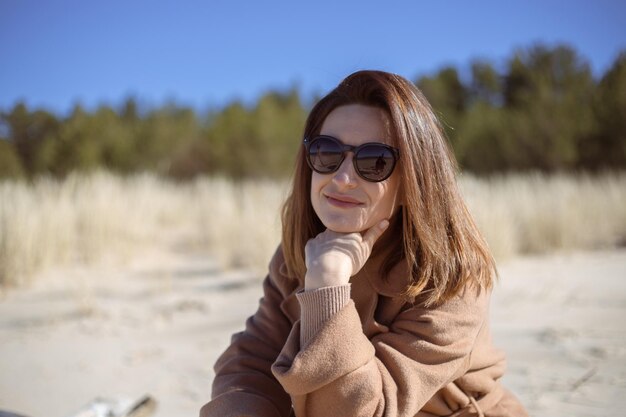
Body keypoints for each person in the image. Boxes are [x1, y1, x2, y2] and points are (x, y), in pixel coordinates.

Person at [200, 70, 528, 417]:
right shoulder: (299, 254)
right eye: (327, 153)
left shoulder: (451, 277)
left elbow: (360, 412)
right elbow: (251, 364)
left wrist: (327, 287)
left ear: (413, 181)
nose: (342, 179)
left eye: (374, 162)